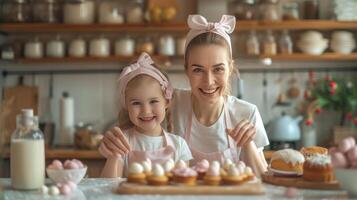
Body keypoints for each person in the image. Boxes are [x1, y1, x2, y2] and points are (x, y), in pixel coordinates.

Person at [100, 15, 269, 176]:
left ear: (230, 69)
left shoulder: (247, 113)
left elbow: (265, 184)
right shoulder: (170, 102)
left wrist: (248, 144)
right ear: (186, 70)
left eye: (218, 69)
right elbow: (133, 126)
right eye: (197, 70)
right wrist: (112, 141)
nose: (208, 81)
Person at [99, 53, 192, 178]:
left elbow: (182, 188)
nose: (146, 111)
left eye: (153, 101)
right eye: (136, 103)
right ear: (126, 105)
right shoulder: (123, 142)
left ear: (167, 101)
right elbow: (107, 185)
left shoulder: (179, 145)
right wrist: (114, 156)